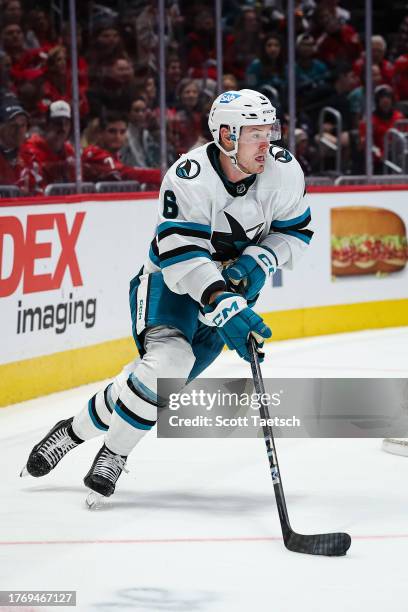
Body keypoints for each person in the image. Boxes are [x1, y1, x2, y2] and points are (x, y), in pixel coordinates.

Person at [22, 89, 313, 504]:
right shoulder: (188, 176)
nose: (268, 142)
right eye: (256, 134)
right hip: (170, 284)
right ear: (227, 136)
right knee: (168, 363)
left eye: (271, 131)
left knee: (152, 386)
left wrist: (259, 262)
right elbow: (181, 256)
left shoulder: (284, 172)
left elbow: (296, 232)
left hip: (231, 290)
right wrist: (224, 302)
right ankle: (113, 455)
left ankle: (70, 432)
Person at [82, 110, 161, 186]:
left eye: (122, 132)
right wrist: (161, 175)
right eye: (112, 131)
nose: (118, 137)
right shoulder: (93, 153)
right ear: (100, 133)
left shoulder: (116, 156)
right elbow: (123, 173)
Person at [20, 100, 75, 194]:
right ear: (47, 124)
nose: (62, 128)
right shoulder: (30, 150)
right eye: (57, 123)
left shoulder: (69, 151)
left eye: (66, 123)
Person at [0, 95, 31, 193]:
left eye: (22, 125)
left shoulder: (29, 157)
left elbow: (40, 192)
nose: (19, 130)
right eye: (13, 125)